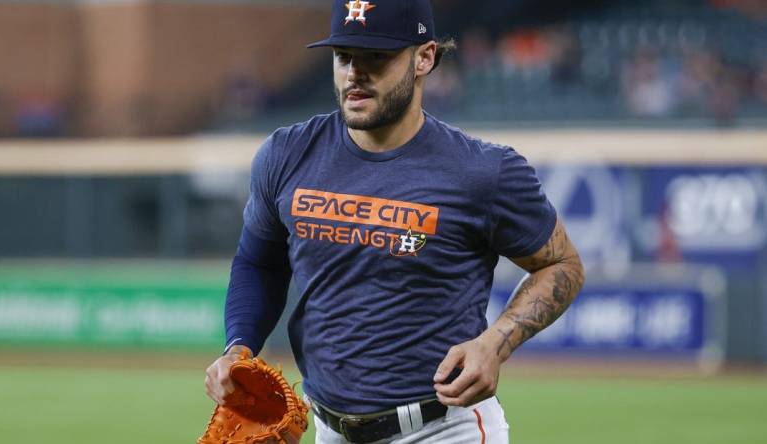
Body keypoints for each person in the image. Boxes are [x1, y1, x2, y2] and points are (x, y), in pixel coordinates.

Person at [204, 1, 585, 442]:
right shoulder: (286, 155)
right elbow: (259, 261)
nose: (354, 73)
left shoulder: (482, 172)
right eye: (344, 57)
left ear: (424, 57)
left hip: (441, 429)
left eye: (376, 58)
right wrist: (239, 348)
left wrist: (496, 343)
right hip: (331, 430)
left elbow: (562, 265)